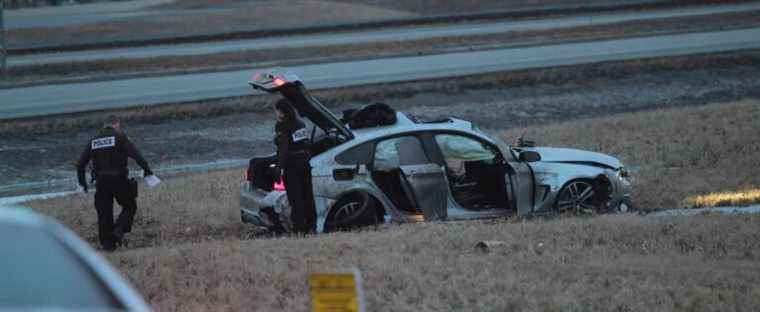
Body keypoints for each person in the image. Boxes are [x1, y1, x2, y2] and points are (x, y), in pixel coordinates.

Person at [76, 115, 153, 251]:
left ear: (104, 126)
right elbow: (137, 155)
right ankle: (119, 230)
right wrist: (147, 170)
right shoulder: (120, 137)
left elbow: (80, 164)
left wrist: (82, 184)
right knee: (129, 206)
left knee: (104, 214)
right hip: (119, 180)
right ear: (116, 124)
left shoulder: (94, 140)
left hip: (101, 182)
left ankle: (108, 245)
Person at [274, 98, 316, 234]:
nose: (276, 114)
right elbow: (306, 144)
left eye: (277, 111)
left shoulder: (282, 126)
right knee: (308, 196)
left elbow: (283, 148)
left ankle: (299, 228)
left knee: (295, 198)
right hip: (304, 164)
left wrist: (278, 167)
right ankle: (311, 226)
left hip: (292, 166)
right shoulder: (300, 124)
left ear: (282, 112)